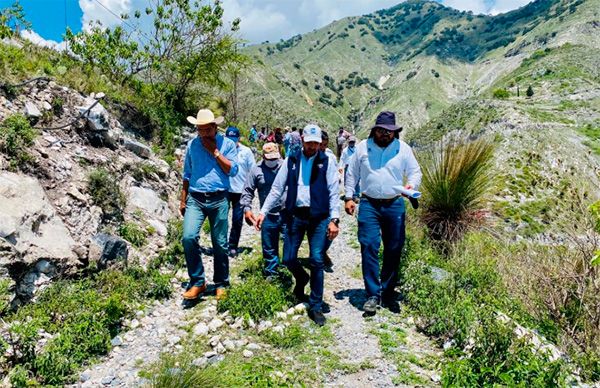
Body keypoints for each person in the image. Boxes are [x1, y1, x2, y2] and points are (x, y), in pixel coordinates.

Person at [257, 124, 340, 326]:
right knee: (288, 258)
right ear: (302, 140)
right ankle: (302, 279)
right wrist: (263, 212)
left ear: (320, 143)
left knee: (317, 259)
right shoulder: (291, 160)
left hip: (319, 217)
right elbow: (277, 188)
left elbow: (333, 191)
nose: (312, 147)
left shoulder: (327, 160)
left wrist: (334, 219)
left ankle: (316, 305)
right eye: (309, 142)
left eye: (316, 143)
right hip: (296, 215)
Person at [344, 111, 422, 314]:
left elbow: (415, 171)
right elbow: (351, 174)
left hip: (394, 203)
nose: (386, 134)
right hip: (369, 203)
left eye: (391, 131)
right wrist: (349, 197)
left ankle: (387, 291)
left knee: (394, 247)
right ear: (375, 130)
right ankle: (372, 293)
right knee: (369, 244)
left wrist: (411, 184)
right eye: (383, 130)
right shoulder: (362, 148)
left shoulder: (402, 148)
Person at [180, 109, 239, 301]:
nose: (202, 133)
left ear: (215, 127)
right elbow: (187, 173)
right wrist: (183, 199)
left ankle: (221, 282)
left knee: (220, 243)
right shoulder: (192, 145)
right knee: (188, 237)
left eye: (206, 130)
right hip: (195, 198)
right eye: (199, 130)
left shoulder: (228, 145)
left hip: (219, 198)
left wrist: (214, 151)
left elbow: (232, 170)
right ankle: (198, 281)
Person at [240, 142, 286, 279]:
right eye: (269, 158)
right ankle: (272, 274)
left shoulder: (286, 167)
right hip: (267, 215)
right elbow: (247, 191)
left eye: (274, 158)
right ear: (263, 156)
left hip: (287, 213)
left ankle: (288, 268)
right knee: (269, 246)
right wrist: (247, 209)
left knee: (290, 244)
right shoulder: (256, 170)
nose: (272, 161)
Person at [225, 126, 256, 257]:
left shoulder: (246, 151)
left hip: (240, 191)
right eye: (229, 139)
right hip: (224, 189)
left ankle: (233, 245)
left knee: (237, 220)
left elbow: (253, 170)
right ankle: (220, 244)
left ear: (238, 138)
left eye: (234, 139)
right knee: (220, 219)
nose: (232, 142)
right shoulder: (222, 150)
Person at [320, 131, 338, 273]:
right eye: (320, 145)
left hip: (327, 197)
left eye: (325, 145)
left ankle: (322, 250)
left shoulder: (330, 158)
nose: (322, 148)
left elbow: (334, 179)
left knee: (331, 228)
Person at [339, 136, 359, 202]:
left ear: (354, 142)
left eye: (353, 142)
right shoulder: (345, 150)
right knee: (347, 181)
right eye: (350, 142)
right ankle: (348, 195)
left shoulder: (358, 149)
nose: (351, 143)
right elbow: (342, 159)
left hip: (356, 167)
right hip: (347, 167)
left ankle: (355, 195)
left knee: (356, 181)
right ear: (348, 142)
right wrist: (340, 167)